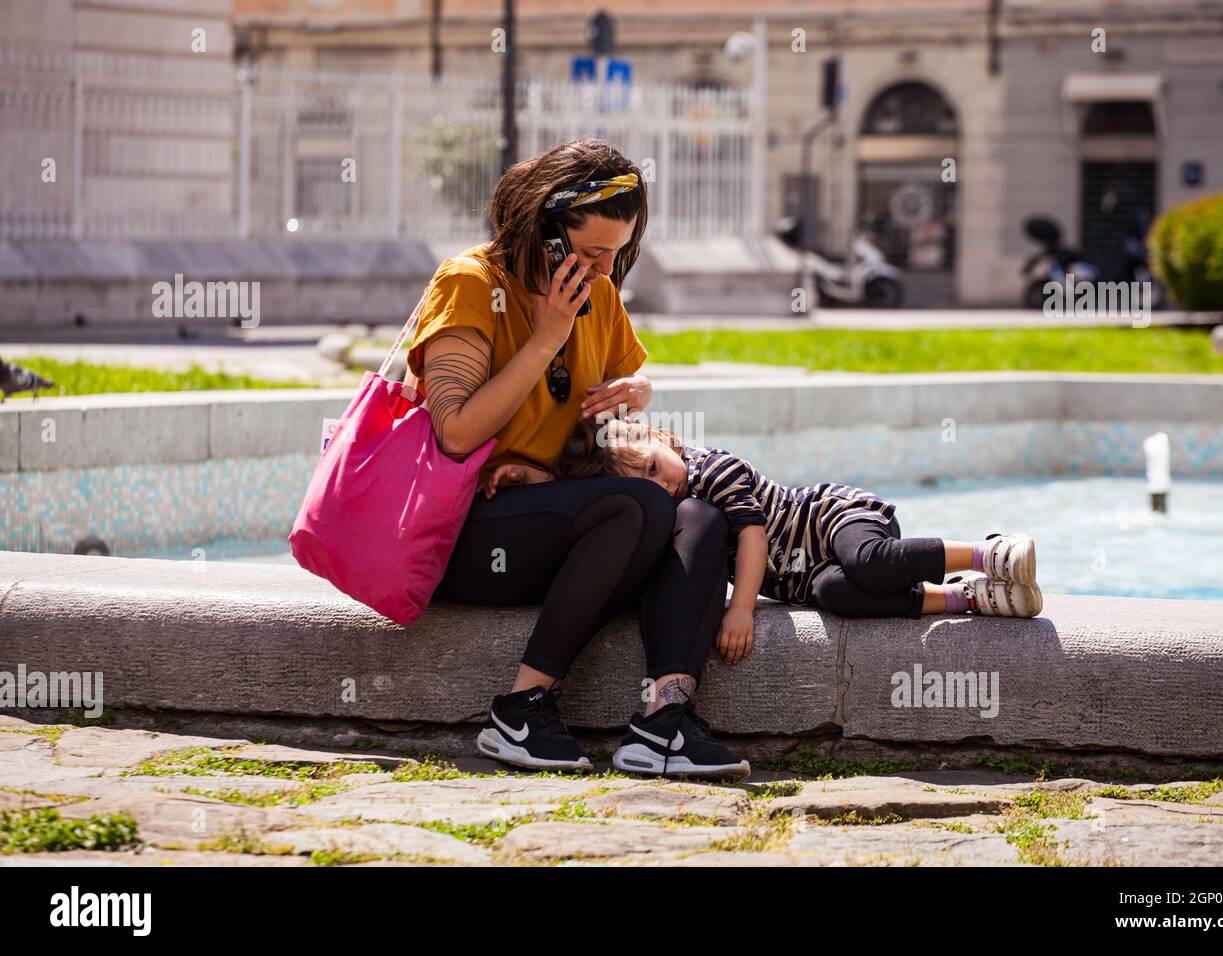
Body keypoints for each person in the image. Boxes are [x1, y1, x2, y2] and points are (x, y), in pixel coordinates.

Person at [404, 137, 749, 780]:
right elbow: (454, 434)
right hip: (467, 533)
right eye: (590, 253)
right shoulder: (472, 284)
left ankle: (663, 722)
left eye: (615, 255)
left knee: (699, 514)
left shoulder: (600, 300)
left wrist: (633, 400)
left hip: (555, 525)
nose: (600, 270)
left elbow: (601, 440)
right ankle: (522, 708)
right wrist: (544, 340)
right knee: (639, 503)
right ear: (546, 232)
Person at [496, 417, 1042, 666]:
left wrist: (741, 612)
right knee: (839, 596)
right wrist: (535, 481)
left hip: (829, 520)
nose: (666, 485)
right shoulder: (668, 502)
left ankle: (987, 552)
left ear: (662, 437)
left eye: (656, 468)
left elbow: (753, 537)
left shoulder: (715, 469)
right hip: (806, 577)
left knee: (869, 561)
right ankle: (967, 597)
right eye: (650, 488)